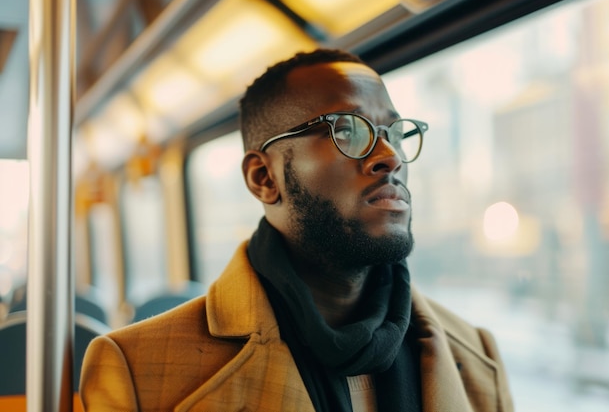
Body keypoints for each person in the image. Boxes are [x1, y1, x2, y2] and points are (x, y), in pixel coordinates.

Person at [79, 48, 514, 412]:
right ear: (264, 178)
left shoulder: (476, 357)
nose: (390, 156)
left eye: (394, 133)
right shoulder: (136, 369)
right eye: (347, 129)